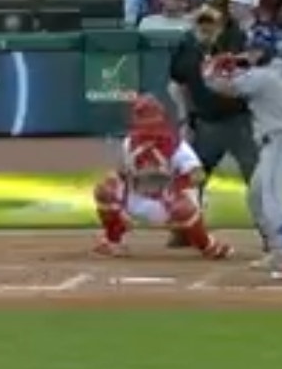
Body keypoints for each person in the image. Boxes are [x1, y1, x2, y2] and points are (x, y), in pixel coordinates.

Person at [204, 31, 282, 280]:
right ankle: (278, 252)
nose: (250, 53)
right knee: (256, 196)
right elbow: (246, 74)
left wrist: (212, 69)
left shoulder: (262, 78)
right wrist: (237, 65)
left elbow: (222, 87)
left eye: (255, 50)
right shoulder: (281, 69)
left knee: (274, 200)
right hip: (281, 140)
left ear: (266, 51)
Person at [91, 95, 235, 260]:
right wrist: (118, 207)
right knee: (105, 189)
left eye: (151, 118)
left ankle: (207, 245)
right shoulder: (129, 142)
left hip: (168, 199)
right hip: (139, 195)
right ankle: (113, 240)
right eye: (144, 118)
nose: (148, 125)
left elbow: (198, 174)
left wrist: (173, 187)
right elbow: (121, 173)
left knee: (183, 207)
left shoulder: (176, 144)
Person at [165, 5, 261, 250]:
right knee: (191, 177)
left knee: (258, 180)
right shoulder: (186, 48)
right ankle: (186, 229)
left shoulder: (235, 40)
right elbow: (177, 85)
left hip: (239, 123)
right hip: (206, 124)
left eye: (211, 25)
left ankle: (272, 235)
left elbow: (251, 77)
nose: (206, 30)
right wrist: (185, 118)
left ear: (220, 25)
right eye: (202, 25)